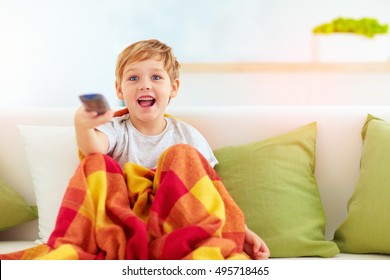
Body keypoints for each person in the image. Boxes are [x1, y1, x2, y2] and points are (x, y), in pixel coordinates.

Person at [74, 39, 270, 260]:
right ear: (119, 89)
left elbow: (209, 193)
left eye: (156, 77)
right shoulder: (117, 130)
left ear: (173, 88)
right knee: (95, 163)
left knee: (182, 154)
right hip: (131, 223)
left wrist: (242, 231)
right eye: (133, 78)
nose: (144, 85)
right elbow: (94, 149)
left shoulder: (187, 136)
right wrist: (83, 125)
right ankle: (143, 246)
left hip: (176, 221)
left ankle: (175, 245)